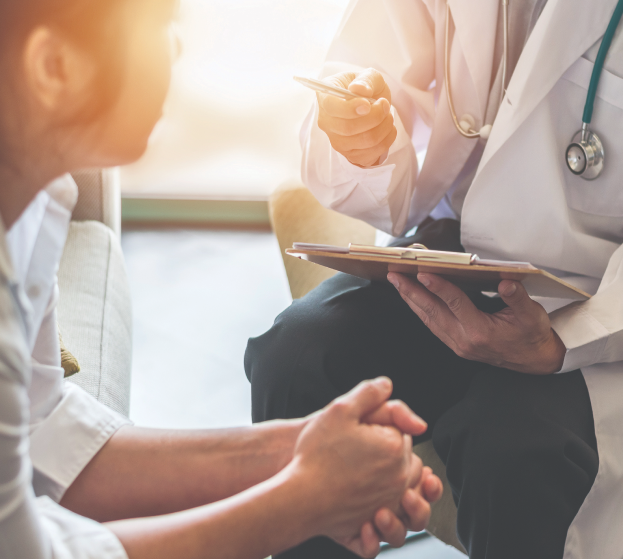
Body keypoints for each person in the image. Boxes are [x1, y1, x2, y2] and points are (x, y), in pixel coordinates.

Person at [0, 1, 445, 558]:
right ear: (54, 67)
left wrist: (299, 448)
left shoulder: (34, 201)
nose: (177, 49)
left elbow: (47, 435)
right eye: (162, 26)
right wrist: (301, 501)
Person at [246, 0, 623, 558]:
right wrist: (360, 129)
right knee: (295, 360)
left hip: (598, 291)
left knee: (514, 451)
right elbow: (369, 68)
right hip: (460, 246)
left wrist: (568, 339)